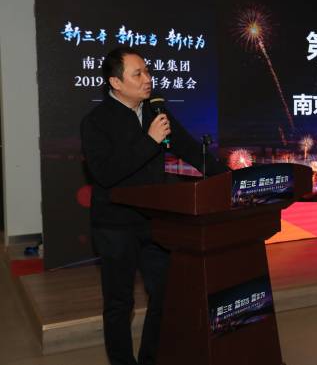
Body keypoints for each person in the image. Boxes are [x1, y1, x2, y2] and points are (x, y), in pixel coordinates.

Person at [81, 46, 227, 365]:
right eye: (138, 74)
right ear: (116, 82)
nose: (148, 78)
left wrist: (230, 178)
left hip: (154, 222)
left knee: (165, 292)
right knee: (119, 303)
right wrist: (149, 141)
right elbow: (105, 173)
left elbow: (191, 150)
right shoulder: (96, 122)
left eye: (147, 71)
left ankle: (150, 359)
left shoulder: (156, 111)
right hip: (115, 225)